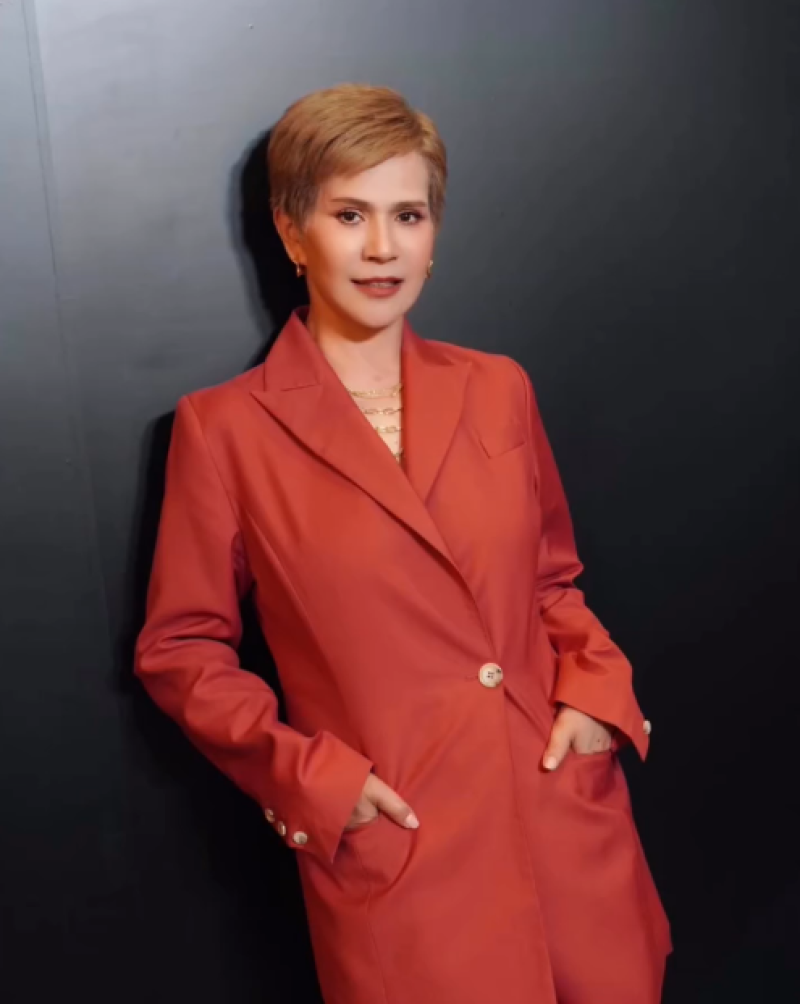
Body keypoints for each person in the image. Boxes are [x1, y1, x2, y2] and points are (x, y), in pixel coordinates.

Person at [135, 83, 671, 1004]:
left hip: (566, 823)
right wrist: (314, 782)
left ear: (434, 232)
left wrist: (597, 693)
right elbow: (181, 649)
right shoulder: (223, 431)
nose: (383, 247)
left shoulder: (498, 387)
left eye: (408, 215)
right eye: (350, 215)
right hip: (408, 860)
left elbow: (551, 582)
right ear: (292, 232)